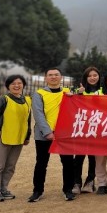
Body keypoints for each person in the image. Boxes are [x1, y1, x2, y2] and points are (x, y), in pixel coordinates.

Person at [0, 74, 31, 202]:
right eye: (13, 83)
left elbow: (28, 120)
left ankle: (3, 189)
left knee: (10, 166)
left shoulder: (27, 100)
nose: (16, 86)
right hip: (4, 136)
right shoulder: (4, 99)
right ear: (8, 86)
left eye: (19, 83)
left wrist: (27, 136)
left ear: (23, 85)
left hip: (19, 138)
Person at [29, 68, 75, 202]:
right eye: (50, 75)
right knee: (41, 163)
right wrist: (47, 132)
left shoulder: (67, 92)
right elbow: (38, 114)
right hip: (44, 135)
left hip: (64, 134)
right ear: (45, 78)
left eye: (56, 75)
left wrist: (76, 95)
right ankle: (37, 191)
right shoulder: (39, 94)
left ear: (61, 77)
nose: (53, 77)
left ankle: (68, 190)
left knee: (68, 162)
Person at [72, 66, 100, 195]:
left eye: (95, 75)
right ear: (85, 77)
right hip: (82, 128)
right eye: (90, 76)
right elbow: (73, 105)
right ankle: (76, 182)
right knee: (79, 156)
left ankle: (90, 182)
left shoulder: (102, 91)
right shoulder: (79, 90)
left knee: (93, 157)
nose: (92, 78)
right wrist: (79, 94)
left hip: (97, 128)